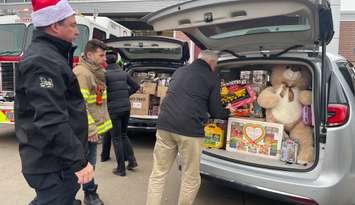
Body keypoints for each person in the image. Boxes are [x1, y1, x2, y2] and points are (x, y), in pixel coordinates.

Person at [15, 0, 94, 204]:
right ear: (55, 26)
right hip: (53, 163)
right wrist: (79, 162)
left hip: (56, 159)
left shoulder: (52, 56)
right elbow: (51, 118)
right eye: (72, 25)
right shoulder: (43, 61)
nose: (76, 32)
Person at [146, 50, 230, 205]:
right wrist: (229, 110)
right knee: (190, 178)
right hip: (190, 131)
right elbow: (216, 111)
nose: (215, 67)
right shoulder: (212, 78)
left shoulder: (180, 71)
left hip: (165, 125)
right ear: (211, 63)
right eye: (216, 64)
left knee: (158, 173)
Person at [73, 39, 112, 205]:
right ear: (89, 55)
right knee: (85, 164)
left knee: (90, 163)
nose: (105, 58)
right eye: (101, 55)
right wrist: (90, 129)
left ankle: (86, 192)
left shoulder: (94, 72)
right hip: (86, 130)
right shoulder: (83, 73)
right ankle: (87, 194)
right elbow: (79, 104)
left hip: (91, 128)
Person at [104, 50, 140, 176]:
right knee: (123, 135)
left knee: (117, 138)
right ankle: (132, 161)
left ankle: (121, 168)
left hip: (113, 110)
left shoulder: (105, 75)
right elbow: (136, 86)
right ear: (116, 60)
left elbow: (102, 93)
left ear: (106, 61)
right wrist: (126, 95)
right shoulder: (123, 73)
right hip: (126, 108)